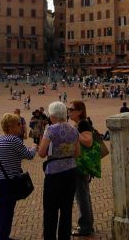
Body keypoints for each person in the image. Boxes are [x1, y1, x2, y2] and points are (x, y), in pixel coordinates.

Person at [0, 113, 38, 240]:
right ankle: (3, 236)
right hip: (9, 180)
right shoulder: (14, 140)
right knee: (7, 209)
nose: (21, 126)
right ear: (11, 126)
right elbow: (29, 155)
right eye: (19, 124)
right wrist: (34, 147)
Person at [38, 101, 80, 240]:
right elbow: (77, 153)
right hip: (71, 171)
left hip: (54, 173)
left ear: (53, 115)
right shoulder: (74, 129)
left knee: (50, 210)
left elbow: (42, 153)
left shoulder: (50, 130)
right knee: (66, 209)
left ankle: (50, 237)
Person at [68, 100, 95, 236]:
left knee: (81, 195)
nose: (69, 111)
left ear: (80, 111)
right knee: (83, 194)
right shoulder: (78, 124)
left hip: (81, 164)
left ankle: (85, 226)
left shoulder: (83, 123)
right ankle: (88, 223)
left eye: (72, 109)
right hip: (79, 163)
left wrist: (73, 133)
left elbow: (88, 142)